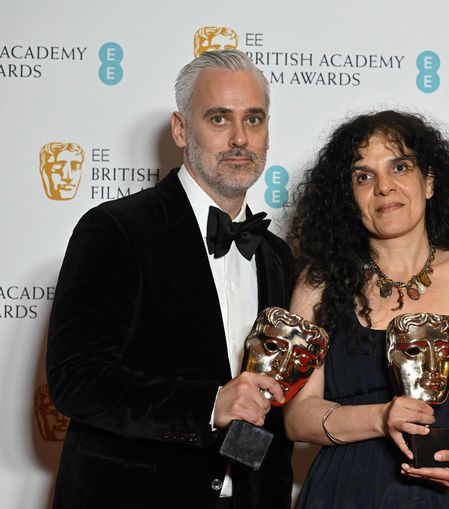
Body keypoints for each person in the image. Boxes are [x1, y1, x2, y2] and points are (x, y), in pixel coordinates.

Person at [46, 49, 294, 509]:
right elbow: (76, 380)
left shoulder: (276, 255)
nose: (240, 138)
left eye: (254, 120)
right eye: (219, 119)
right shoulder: (117, 230)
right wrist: (209, 404)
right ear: (181, 129)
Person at [284, 110, 449, 508]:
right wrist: (379, 417)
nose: (383, 187)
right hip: (348, 491)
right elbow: (297, 417)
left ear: (428, 181)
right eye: (364, 176)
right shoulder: (319, 284)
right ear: (349, 197)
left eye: (400, 167)